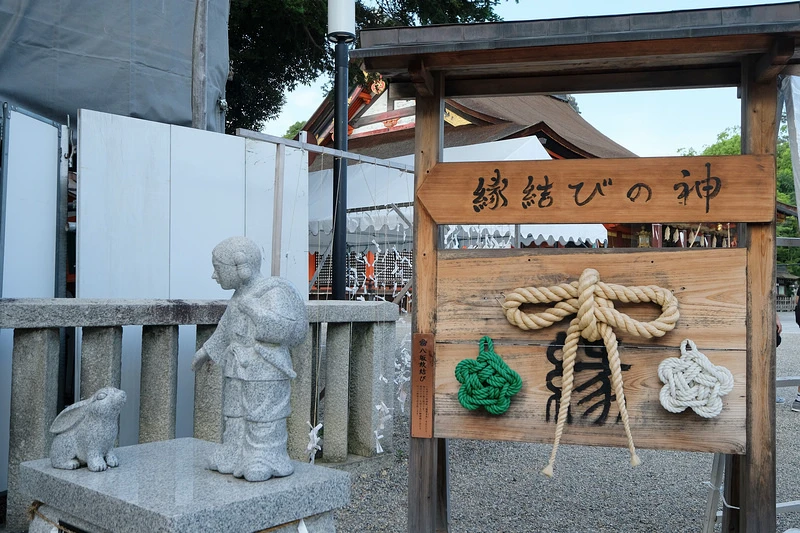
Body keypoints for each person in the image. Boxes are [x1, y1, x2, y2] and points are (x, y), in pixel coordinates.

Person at [191, 236, 308, 481]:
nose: (214, 275)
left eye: (218, 268)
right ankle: (234, 450)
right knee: (234, 413)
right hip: (237, 365)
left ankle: (264, 456)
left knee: (264, 414)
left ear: (240, 267)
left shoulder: (274, 291)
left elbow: (283, 330)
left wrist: (253, 308)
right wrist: (205, 352)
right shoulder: (238, 296)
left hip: (266, 367)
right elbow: (225, 330)